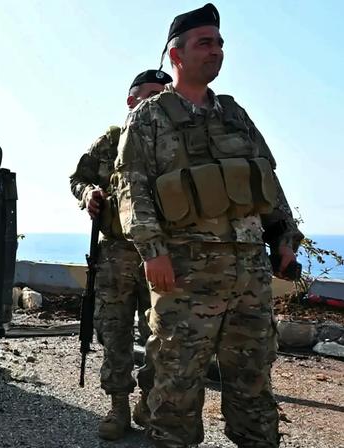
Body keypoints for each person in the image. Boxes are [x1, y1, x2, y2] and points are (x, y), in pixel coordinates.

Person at [114, 4, 303, 446]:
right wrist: (153, 252)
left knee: (253, 377)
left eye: (219, 43)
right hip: (185, 273)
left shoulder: (235, 115)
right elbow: (132, 188)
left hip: (249, 275)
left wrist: (284, 237)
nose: (216, 50)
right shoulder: (148, 117)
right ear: (176, 55)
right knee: (176, 382)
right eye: (204, 43)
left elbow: (266, 181)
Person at [70, 69, 172, 440]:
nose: (158, 101)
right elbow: (78, 178)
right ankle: (118, 407)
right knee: (113, 332)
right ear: (132, 100)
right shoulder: (112, 140)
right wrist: (88, 195)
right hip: (116, 253)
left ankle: (147, 400)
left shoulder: (174, 143)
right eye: (151, 94)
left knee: (162, 335)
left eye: (164, 95)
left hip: (162, 254)